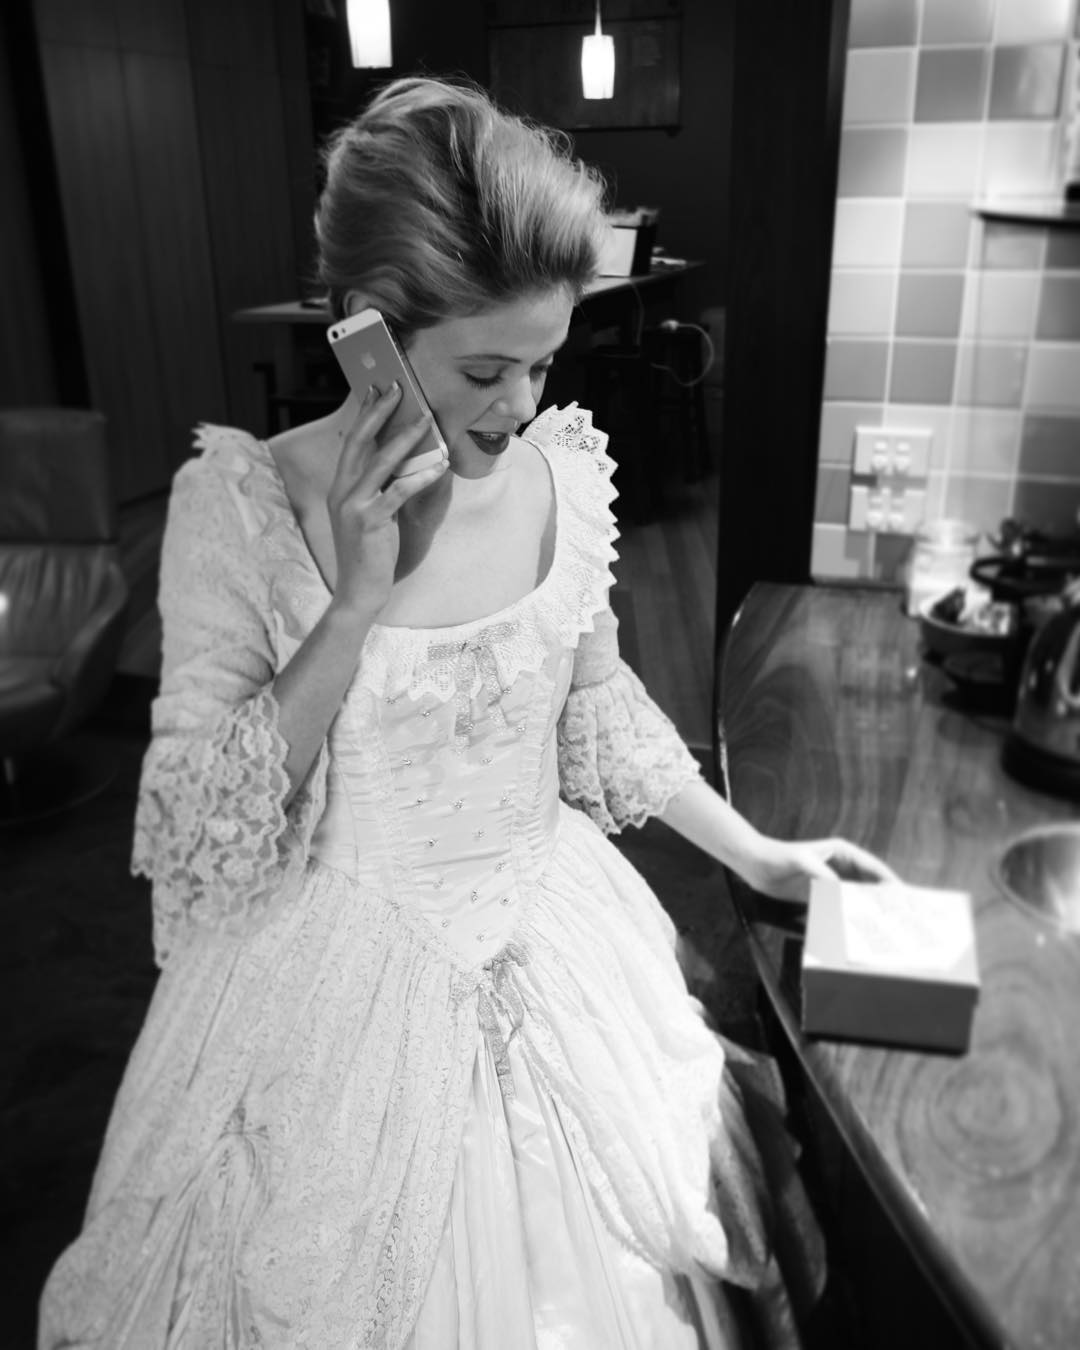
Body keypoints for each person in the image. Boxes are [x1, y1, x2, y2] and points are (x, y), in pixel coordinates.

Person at [39, 76, 895, 1349]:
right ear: (364, 332)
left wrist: (760, 856)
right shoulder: (245, 504)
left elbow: (599, 709)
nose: (520, 406)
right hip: (330, 974)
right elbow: (196, 820)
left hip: (551, 927)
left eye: (543, 362)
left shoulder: (562, 477)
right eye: (484, 369)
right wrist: (353, 604)